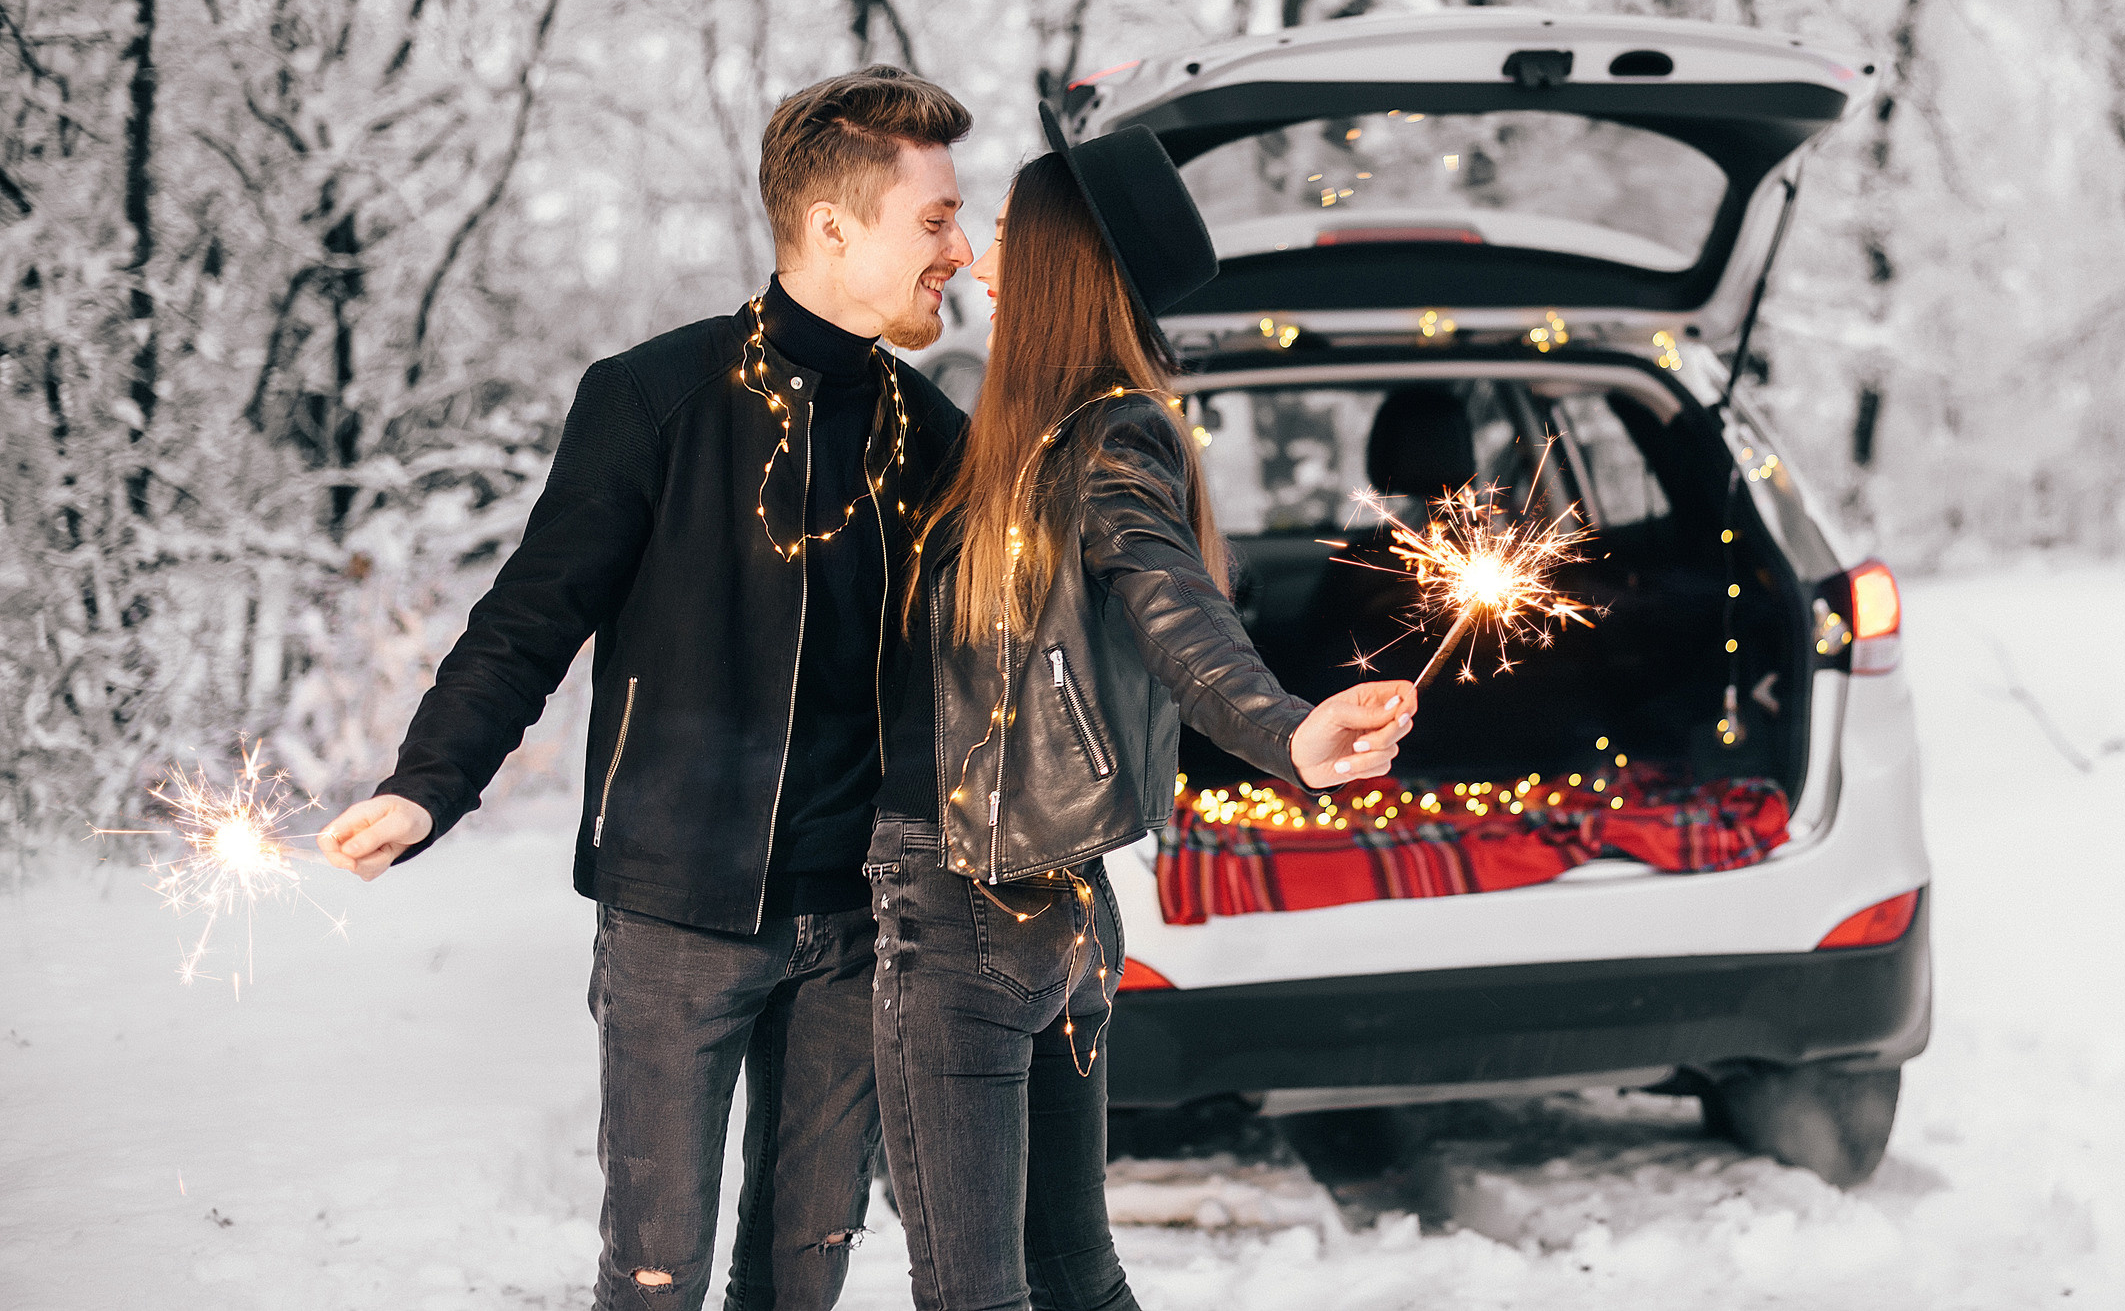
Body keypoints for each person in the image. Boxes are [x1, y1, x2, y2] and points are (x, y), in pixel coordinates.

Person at [315, 66, 980, 1311]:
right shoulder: (655, 398)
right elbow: (531, 616)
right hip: (678, 912)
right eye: (936, 218)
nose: (962, 246)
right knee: (654, 1279)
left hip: (861, 920)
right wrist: (427, 782)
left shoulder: (930, 433)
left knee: (802, 1279)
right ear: (833, 226)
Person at [867, 108, 1415, 1311]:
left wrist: (1285, 728)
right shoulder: (1030, 437)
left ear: (1060, 259)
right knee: (1072, 1270)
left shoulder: (1102, 434)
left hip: (965, 905)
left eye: (1001, 227)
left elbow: (1172, 602)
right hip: (1058, 907)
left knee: (977, 1291)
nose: (975, 253)